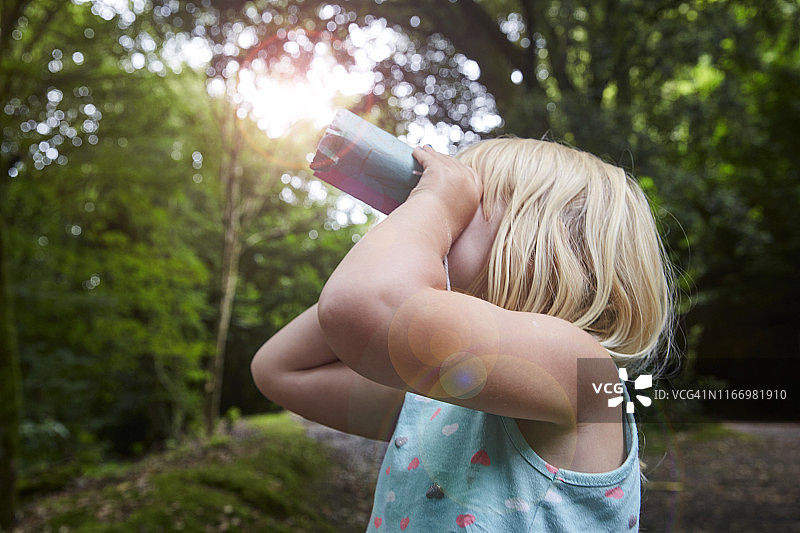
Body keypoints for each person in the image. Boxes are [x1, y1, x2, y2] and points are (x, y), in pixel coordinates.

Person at [251, 138, 674, 532]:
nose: (442, 217)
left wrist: (433, 207)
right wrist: (415, 229)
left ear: (534, 241)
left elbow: (365, 306)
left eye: (467, 204)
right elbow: (280, 370)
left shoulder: (581, 372)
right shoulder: (435, 401)